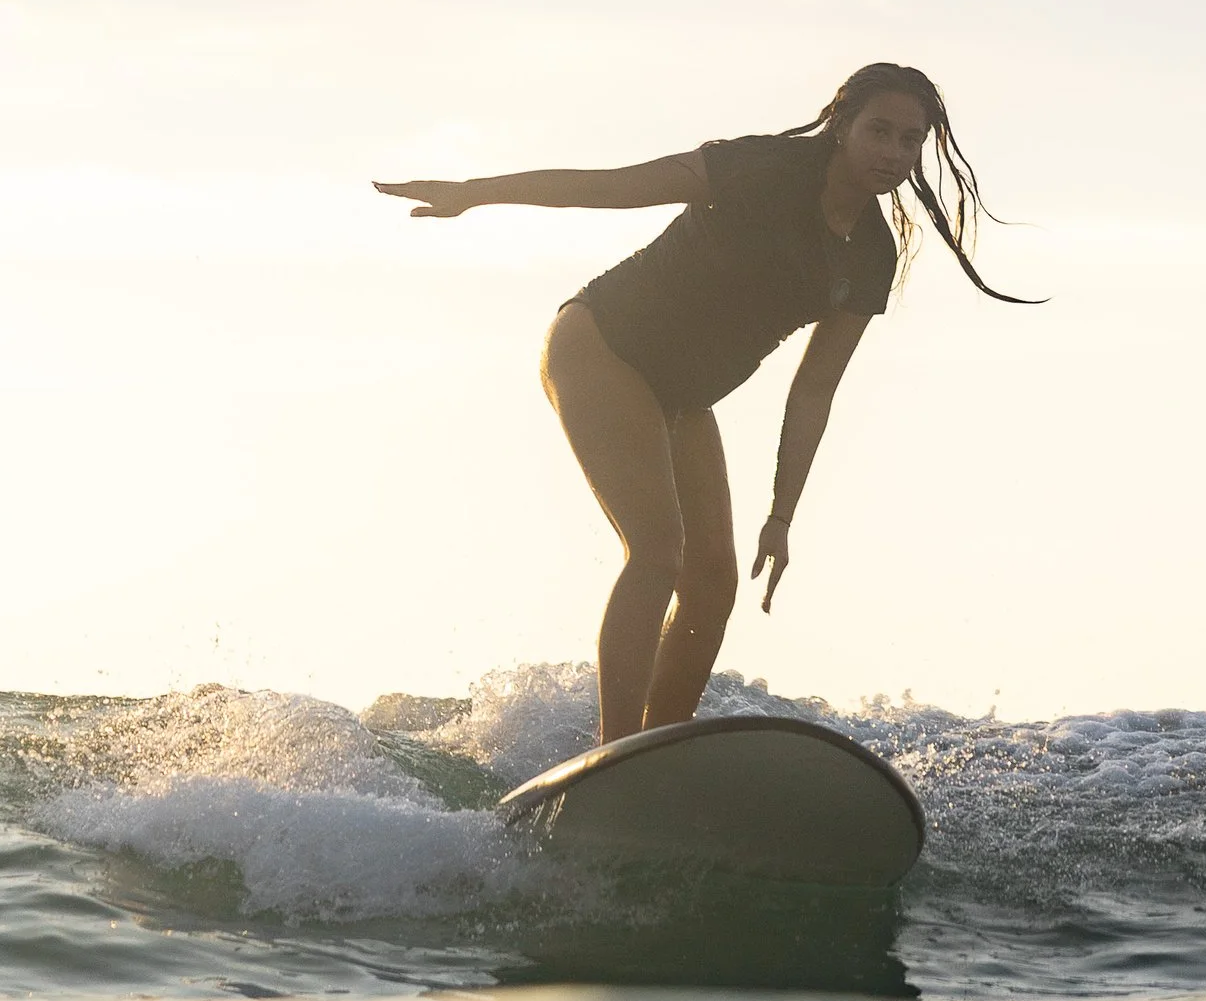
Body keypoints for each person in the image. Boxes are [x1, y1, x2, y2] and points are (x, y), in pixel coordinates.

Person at [374, 62, 1032, 741]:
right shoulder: (759, 170)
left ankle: (659, 753)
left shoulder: (869, 254)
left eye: (909, 139)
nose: (893, 153)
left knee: (713, 584)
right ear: (841, 126)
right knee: (658, 550)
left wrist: (781, 515)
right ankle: (617, 753)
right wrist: (475, 194)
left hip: (683, 397)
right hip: (604, 346)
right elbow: (611, 189)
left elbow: (813, 390)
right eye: (879, 131)